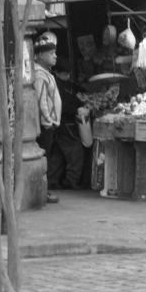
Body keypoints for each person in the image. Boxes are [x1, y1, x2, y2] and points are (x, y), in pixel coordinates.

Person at [49, 57, 86, 191]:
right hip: (66, 124)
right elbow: (61, 105)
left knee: (59, 153)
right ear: (57, 72)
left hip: (59, 124)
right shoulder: (56, 84)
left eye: (69, 73)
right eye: (65, 73)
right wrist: (77, 107)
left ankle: (52, 180)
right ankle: (71, 181)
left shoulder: (65, 83)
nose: (68, 76)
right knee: (75, 152)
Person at [33, 31, 62, 203]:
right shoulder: (39, 75)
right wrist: (48, 121)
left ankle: (44, 190)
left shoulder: (46, 73)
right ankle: (42, 191)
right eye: (51, 54)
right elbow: (41, 100)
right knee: (44, 158)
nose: (55, 57)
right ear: (41, 55)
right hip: (46, 125)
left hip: (50, 123)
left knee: (48, 157)